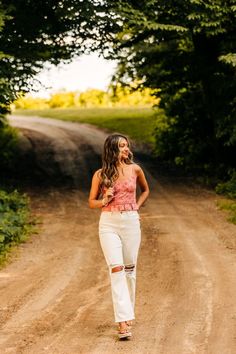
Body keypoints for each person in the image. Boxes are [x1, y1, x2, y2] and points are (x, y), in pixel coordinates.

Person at [88, 133, 149, 339]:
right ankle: (123, 322)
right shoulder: (100, 174)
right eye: (121, 146)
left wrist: (136, 209)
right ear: (112, 149)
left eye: (126, 145)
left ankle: (128, 312)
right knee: (117, 269)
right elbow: (91, 202)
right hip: (108, 224)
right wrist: (104, 199)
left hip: (131, 222)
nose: (126, 149)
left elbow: (145, 191)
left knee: (130, 269)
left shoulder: (135, 169)